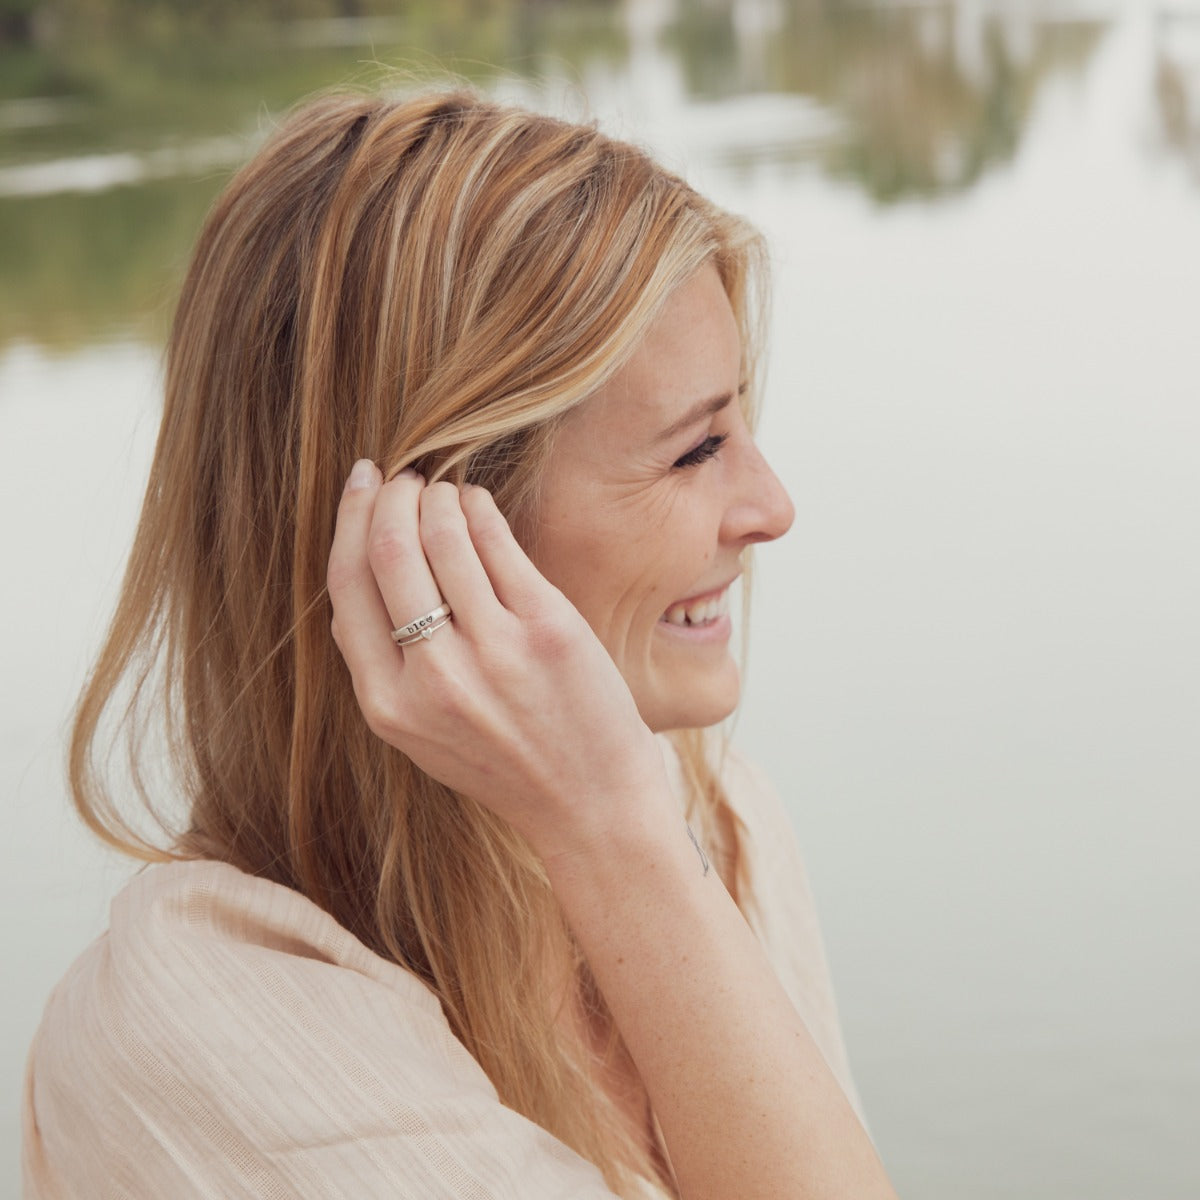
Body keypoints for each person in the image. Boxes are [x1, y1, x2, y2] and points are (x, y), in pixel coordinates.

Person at [22, 89, 898, 1200]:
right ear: (425, 540)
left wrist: (630, 837)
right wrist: (614, 836)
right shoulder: (196, 1029)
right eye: (695, 452)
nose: (771, 508)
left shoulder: (717, 825)